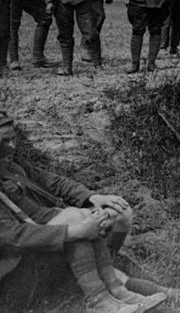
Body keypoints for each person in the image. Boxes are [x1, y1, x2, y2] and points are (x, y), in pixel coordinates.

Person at [0, 112, 169, 312]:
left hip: (40, 244)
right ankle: (101, 299)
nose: (12, 146)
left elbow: (53, 182)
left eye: (13, 138)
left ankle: (116, 291)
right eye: (4, 141)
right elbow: (8, 234)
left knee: (114, 213)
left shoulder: (11, 165)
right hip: (13, 274)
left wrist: (92, 198)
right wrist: (73, 232)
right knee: (76, 222)